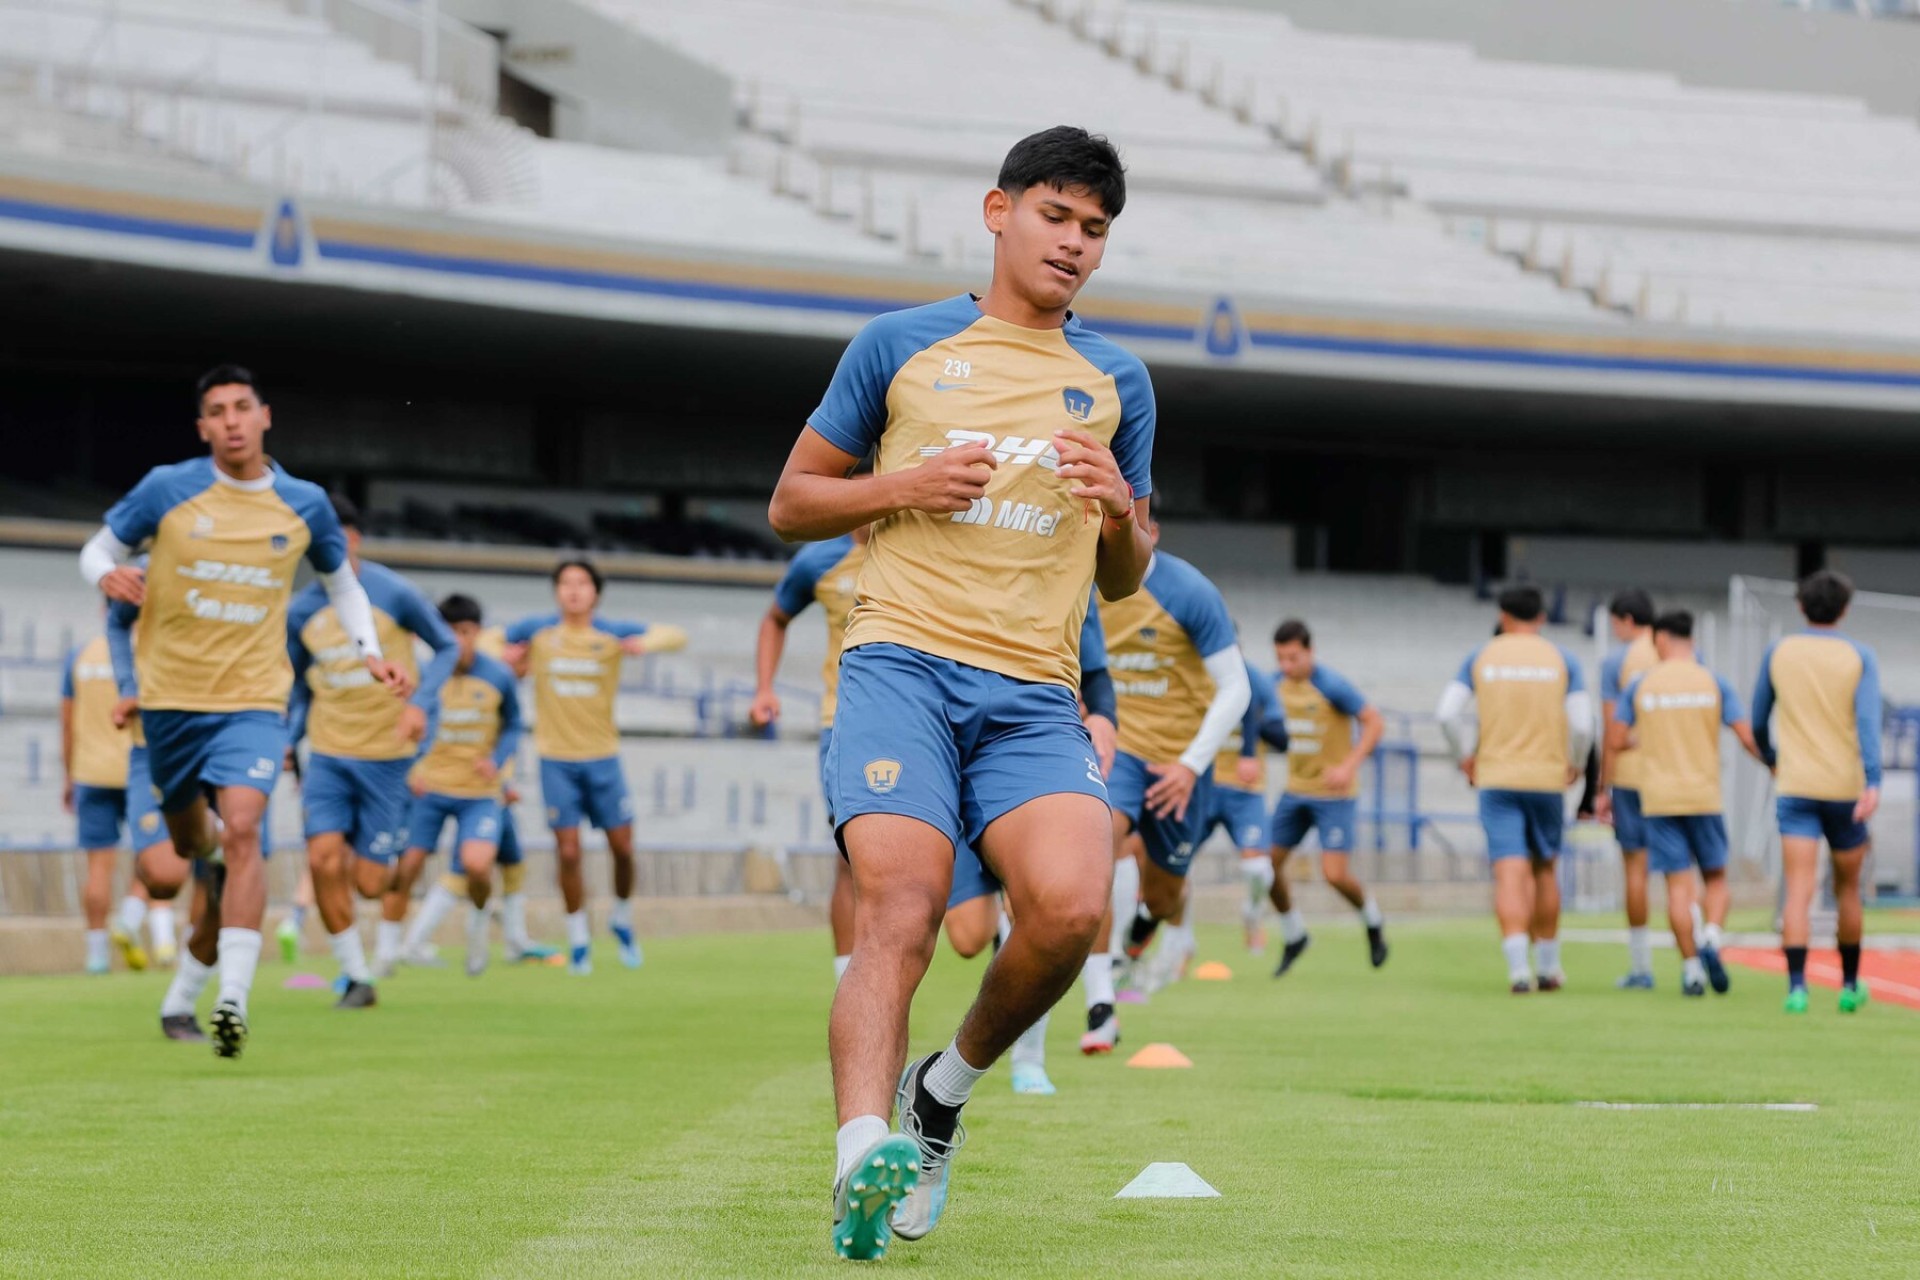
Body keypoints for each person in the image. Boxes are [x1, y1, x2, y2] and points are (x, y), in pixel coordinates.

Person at [766, 126, 1153, 1259]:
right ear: (999, 212)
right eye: (1055, 215)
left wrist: (1119, 509)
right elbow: (791, 502)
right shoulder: (900, 344)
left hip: (1033, 694)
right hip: (900, 666)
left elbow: (1125, 574)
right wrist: (906, 484)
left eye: (1094, 229)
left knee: (1071, 911)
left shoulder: (1118, 382)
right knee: (903, 905)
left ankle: (941, 1091)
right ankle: (858, 1154)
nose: (1073, 243)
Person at [79, 364, 409, 1057]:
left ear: (265, 416)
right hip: (170, 707)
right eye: (217, 411)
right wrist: (106, 573)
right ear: (202, 427)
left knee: (246, 828)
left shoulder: (305, 502)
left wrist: (370, 652)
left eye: (241, 407)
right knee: (172, 867)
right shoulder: (167, 488)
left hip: (253, 702)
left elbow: (342, 584)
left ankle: (232, 999)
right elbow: (98, 549)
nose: (231, 420)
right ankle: (210, 875)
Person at [939, 596, 1117, 1097]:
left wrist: (1105, 717)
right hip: (953, 755)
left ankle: (1029, 1059)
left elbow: (1096, 671)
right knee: (968, 937)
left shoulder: (1068, 574)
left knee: (1039, 907)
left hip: (1029, 755)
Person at [287, 493, 458, 1008]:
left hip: (388, 758)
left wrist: (421, 704)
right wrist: (288, 739)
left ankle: (385, 893)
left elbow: (447, 645)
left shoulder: (394, 593)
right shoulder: (300, 611)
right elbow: (297, 685)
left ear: (353, 539)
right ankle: (356, 975)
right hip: (329, 755)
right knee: (322, 859)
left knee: (369, 882)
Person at [1092, 521, 1248, 1044]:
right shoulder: (1080, 584)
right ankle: (1100, 1005)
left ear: (1150, 533)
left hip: (1180, 765)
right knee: (1097, 846)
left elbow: (1236, 688)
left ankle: (1142, 929)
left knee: (1163, 896)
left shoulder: (1191, 592)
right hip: (1118, 752)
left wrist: (1189, 765)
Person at [501, 560, 686, 974]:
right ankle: (579, 940)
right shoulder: (539, 633)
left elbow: (676, 635)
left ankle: (621, 917)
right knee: (568, 852)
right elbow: (486, 638)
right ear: (556, 591)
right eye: (566, 583)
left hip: (603, 757)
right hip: (555, 760)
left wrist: (644, 645)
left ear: (595, 593)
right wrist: (505, 652)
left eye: (582, 583)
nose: (573, 590)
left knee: (623, 848)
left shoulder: (611, 633)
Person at [1437, 585, 1591, 993]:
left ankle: (1518, 970)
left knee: (1509, 872)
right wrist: (1575, 762)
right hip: (1545, 778)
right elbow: (1582, 725)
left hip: (1498, 777)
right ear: (1541, 618)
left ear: (1502, 615)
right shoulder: (1562, 658)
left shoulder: (1482, 655)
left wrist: (1464, 756)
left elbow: (1447, 713)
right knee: (1545, 870)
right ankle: (1549, 968)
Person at [1751, 569, 1882, 1014]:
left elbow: (1757, 719)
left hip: (1796, 785)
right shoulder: (1859, 655)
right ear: (1845, 609)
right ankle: (1849, 986)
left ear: (1801, 606)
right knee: (1848, 889)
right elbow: (1867, 723)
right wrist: (1873, 781)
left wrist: (1772, 757)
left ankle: (1797, 989)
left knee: (1799, 890)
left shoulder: (1779, 651)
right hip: (1844, 788)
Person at [1610, 611, 1759, 997]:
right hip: (1703, 795)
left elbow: (1616, 739)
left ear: (1660, 639)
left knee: (1678, 886)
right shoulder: (1713, 681)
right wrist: (1774, 764)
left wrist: (1648, 737)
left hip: (1659, 799)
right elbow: (1746, 736)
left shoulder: (1641, 684)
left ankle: (1691, 969)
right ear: (1691, 639)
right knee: (1716, 879)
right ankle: (1711, 936)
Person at [751, 526, 871, 981]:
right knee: (850, 854)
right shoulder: (819, 560)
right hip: (843, 721)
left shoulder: (920, 544)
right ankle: (848, 986)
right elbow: (775, 618)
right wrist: (764, 688)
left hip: (921, 721)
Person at [394, 595, 523, 978]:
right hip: (431, 789)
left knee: (478, 866)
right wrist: (411, 769)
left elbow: (514, 725)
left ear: (477, 633)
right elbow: (406, 724)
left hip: (480, 793)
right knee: (406, 868)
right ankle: (389, 952)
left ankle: (478, 926)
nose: (457, 640)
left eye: (465, 632)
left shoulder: (498, 675)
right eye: (449, 631)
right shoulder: (423, 675)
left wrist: (497, 762)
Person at [1266, 620, 1388, 977]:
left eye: (1293, 658)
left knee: (1334, 875)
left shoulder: (1331, 685)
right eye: (1280, 658)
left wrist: (1348, 766)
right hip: (1295, 791)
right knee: (1265, 867)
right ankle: (1294, 934)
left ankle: (1372, 920)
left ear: (1310, 651)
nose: (1286, 666)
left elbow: (1374, 722)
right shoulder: (1273, 686)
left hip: (1334, 796)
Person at [62, 618, 179, 973]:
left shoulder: (79, 655)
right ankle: (156, 935)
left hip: (90, 772)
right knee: (156, 854)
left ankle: (96, 957)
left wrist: (69, 776)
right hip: (139, 767)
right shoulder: (151, 649)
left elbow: (67, 722)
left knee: (98, 867)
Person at [1198, 657, 1285, 954]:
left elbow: (1282, 738)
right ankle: (1179, 943)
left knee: (1258, 868)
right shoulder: (1191, 670)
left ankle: (1253, 913)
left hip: (1246, 790)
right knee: (1172, 868)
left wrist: (1253, 729)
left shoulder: (1257, 680)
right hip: (1201, 785)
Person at [1595, 589, 1660, 989]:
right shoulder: (1683, 657)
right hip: (1677, 776)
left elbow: (1611, 729)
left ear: (1627, 620)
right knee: (1682, 872)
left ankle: (1641, 967)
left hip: (1632, 778)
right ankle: (1698, 955)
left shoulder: (1617, 662)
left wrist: (1603, 788)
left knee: (1635, 870)